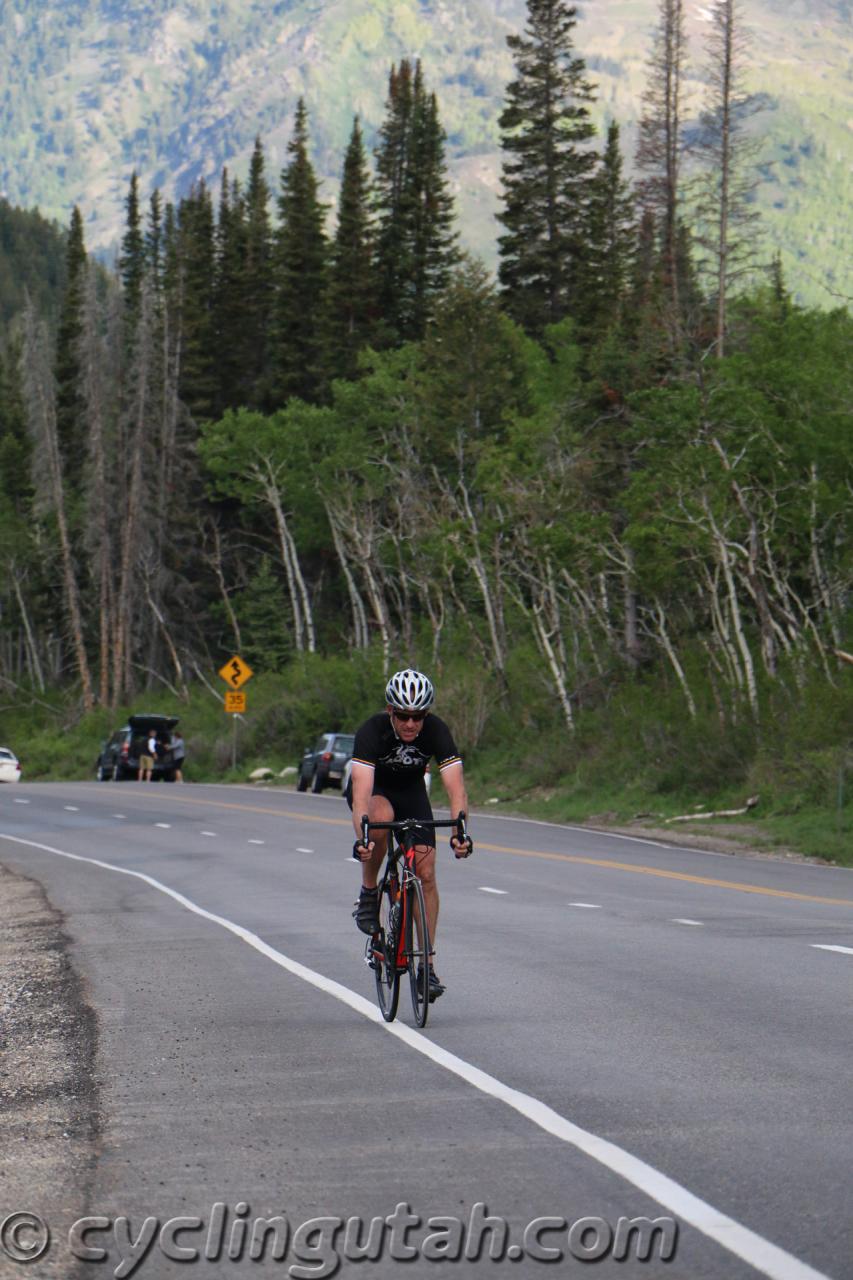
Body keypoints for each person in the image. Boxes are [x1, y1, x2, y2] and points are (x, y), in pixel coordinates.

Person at [348, 668, 473, 1001]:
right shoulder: (372, 731)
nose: (410, 724)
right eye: (403, 715)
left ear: (426, 715)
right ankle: (370, 891)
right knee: (381, 817)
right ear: (391, 711)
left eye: (418, 717)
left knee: (426, 870)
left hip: (413, 794)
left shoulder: (436, 731)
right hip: (376, 792)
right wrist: (362, 837)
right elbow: (360, 789)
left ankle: (426, 967)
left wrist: (461, 831)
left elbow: (455, 786)